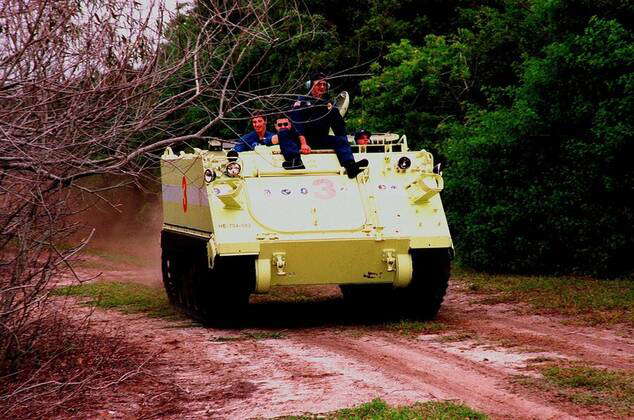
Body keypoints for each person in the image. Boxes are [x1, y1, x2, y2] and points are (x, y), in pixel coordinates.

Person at [288, 72, 368, 178]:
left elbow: (339, 127)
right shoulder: (301, 103)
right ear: (310, 86)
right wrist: (303, 143)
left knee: (341, 140)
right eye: (318, 84)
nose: (322, 87)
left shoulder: (329, 105)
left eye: (324, 85)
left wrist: (345, 145)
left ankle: (351, 167)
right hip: (303, 139)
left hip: (321, 138)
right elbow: (297, 124)